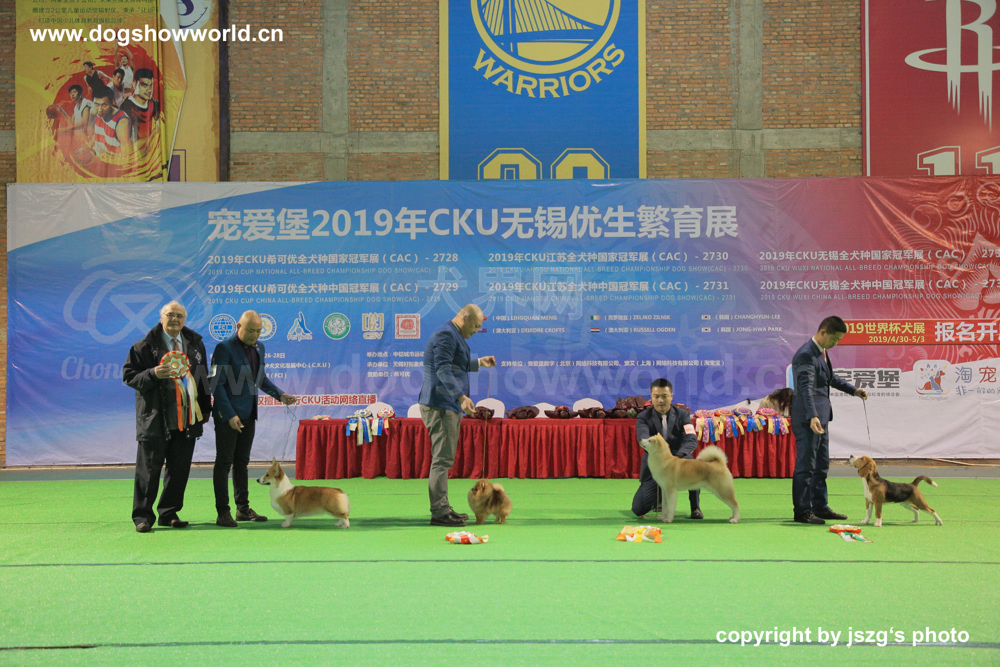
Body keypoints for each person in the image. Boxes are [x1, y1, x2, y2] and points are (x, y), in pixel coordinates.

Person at [123, 301, 211, 533]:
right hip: (154, 419)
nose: (175, 319)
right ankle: (142, 517)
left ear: (185, 319)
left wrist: (204, 410)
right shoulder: (143, 346)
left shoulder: (195, 345)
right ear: (161, 317)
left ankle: (169, 513)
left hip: (187, 420)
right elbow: (129, 377)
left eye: (179, 316)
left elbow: (202, 378)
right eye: (170, 315)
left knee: (179, 470)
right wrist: (153, 373)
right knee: (148, 472)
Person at [211, 310, 296, 527]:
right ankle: (223, 512)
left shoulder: (260, 348)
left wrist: (280, 395)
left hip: (249, 414)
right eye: (250, 330)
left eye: (258, 331)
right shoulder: (224, 348)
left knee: (242, 463)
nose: (255, 335)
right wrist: (229, 415)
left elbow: (260, 378)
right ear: (238, 327)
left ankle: (242, 509)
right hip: (228, 415)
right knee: (224, 463)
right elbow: (216, 385)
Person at [418, 304, 496, 527]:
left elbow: (454, 364)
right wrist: (461, 397)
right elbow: (442, 369)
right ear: (465, 318)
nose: (476, 330)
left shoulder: (453, 334)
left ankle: (443, 507)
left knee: (444, 459)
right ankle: (440, 512)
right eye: (475, 326)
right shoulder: (445, 334)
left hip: (445, 404)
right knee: (442, 460)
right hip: (440, 404)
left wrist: (479, 363)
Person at [791, 315, 868, 525]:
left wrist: (854, 391)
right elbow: (805, 389)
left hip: (821, 417)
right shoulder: (806, 354)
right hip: (809, 418)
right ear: (823, 332)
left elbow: (829, 378)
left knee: (821, 464)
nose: (836, 343)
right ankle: (802, 511)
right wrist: (812, 415)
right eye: (834, 339)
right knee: (806, 465)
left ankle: (819, 506)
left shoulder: (821, 352)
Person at [632, 378, 701, 519]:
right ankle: (658, 501)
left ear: (671, 396)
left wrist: (679, 456)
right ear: (651, 397)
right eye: (656, 396)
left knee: (693, 466)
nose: (660, 400)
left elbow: (691, 439)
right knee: (638, 509)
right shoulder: (643, 417)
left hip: (678, 458)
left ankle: (695, 507)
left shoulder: (683, 415)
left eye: (664, 396)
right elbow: (643, 438)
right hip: (655, 463)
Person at [120, 68, 160, 142]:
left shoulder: (154, 104)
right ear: (135, 85)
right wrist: (153, 134)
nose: (149, 90)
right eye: (144, 85)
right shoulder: (126, 107)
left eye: (151, 85)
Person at [90, 86, 132, 157]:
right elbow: (99, 132)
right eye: (97, 104)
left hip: (113, 162)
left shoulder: (122, 123)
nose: (100, 109)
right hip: (100, 159)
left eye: (104, 105)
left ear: (112, 102)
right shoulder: (96, 111)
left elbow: (127, 155)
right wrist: (90, 145)